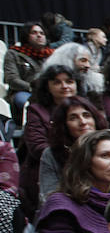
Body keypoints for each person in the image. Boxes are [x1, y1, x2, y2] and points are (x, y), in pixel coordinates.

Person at [20, 65, 82, 217]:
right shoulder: (36, 111)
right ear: (47, 86)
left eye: (69, 81)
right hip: (50, 168)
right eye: (57, 82)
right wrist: (77, 156)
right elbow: (37, 146)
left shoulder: (86, 108)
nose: (64, 86)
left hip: (87, 168)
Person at [39, 97, 110, 205]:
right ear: (64, 125)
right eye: (73, 118)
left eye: (86, 115)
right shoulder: (51, 154)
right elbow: (49, 196)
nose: (83, 122)